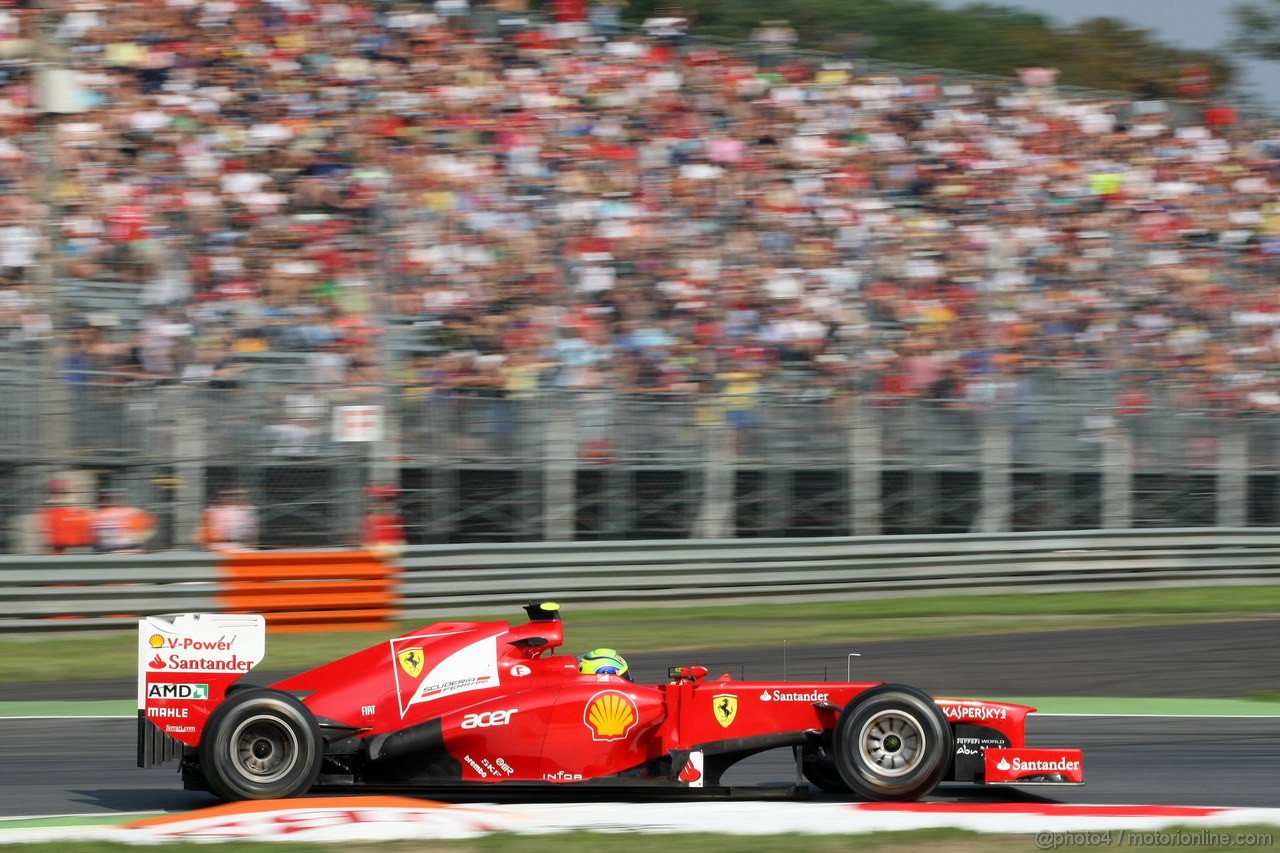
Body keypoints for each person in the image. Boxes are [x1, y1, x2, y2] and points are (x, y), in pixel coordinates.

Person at [91, 489, 156, 555]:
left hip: (107, 554)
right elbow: (149, 531)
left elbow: (93, 537)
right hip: (133, 553)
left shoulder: (97, 515)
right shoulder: (136, 512)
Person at [199, 487, 259, 552]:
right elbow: (202, 535)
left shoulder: (249, 510)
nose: (232, 498)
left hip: (244, 549)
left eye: (238, 495)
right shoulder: (212, 512)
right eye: (227, 495)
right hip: (220, 549)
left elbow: (253, 532)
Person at [361, 485, 406, 558]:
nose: (385, 504)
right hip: (378, 550)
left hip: (387, 550)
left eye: (388, 501)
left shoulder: (395, 518)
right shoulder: (369, 518)